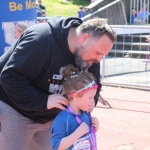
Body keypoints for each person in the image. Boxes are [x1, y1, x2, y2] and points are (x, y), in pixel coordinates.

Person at [0, 16, 116, 150]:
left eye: (103, 55)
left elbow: (94, 84)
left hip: (51, 116)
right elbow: (9, 77)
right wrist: (44, 100)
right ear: (84, 38)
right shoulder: (42, 39)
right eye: (98, 53)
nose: (99, 59)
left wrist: (91, 102)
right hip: (14, 108)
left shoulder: (90, 58)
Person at [51, 64, 99, 150]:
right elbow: (56, 146)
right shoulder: (62, 119)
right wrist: (76, 134)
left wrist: (94, 127)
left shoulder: (86, 114)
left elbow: (85, 139)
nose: (93, 101)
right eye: (90, 97)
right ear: (76, 96)